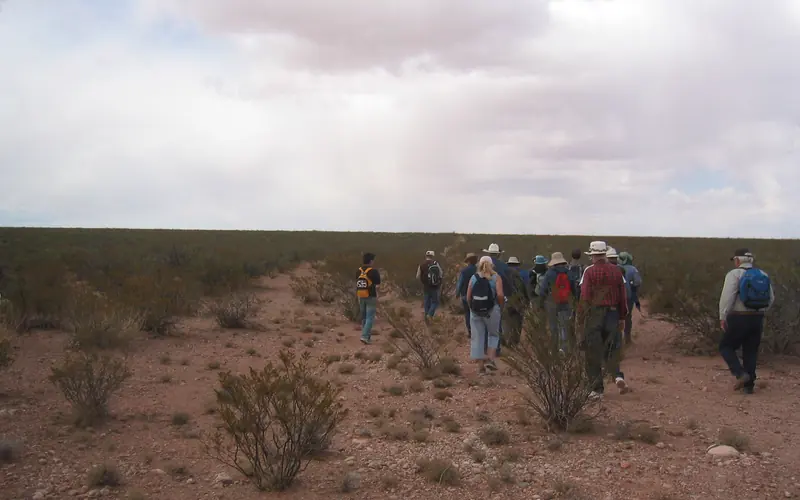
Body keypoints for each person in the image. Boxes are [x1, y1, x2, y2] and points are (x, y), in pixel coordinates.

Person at [577, 241, 629, 399]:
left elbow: (584, 296)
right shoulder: (616, 271)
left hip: (594, 313)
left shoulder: (589, 271)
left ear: (592, 255)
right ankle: (618, 375)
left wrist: (581, 318)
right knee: (612, 347)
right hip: (613, 312)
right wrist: (622, 316)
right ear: (604, 254)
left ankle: (596, 389)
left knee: (593, 352)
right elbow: (622, 296)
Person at [718, 248, 775, 394]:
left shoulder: (734, 274)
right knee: (750, 350)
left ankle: (740, 374)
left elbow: (727, 297)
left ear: (738, 260)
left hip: (739, 316)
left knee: (726, 346)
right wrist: (760, 311)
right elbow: (771, 298)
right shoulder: (762, 274)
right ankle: (749, 386)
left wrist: (723, 316)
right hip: (757, 317)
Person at [467, 256, 505, 374]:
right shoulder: (496, 277)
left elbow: (468, 296)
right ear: (492, 265)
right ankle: (490, 359)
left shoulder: (474, 277)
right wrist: (500, 305)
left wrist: (471, 308)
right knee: (493, 335)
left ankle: (480, 367)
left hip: (475, 311)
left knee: (478, 336)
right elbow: (500, 295)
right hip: (492, 310)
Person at [538, 252, 577, 351]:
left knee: (553, 327)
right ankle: (565, 349)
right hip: (566, 302)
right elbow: (574, 289)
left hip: (552, 303)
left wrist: (540, 303)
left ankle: (554, 350)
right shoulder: (568, 273)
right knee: (564, 326)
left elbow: (543, 289)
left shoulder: (549, 273)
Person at [483, 243, 513, 355]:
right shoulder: (504, 266)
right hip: (499, 297)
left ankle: (486, 347)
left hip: (484, 298)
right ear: (498, 254)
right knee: (497, 323)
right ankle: (496, 349)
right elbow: (508, 282)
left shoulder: (483, 265)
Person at [355, 252, 381, 345]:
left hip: (360, 295)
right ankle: (365, 336)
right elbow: (378, 282)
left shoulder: (358, 271)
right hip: (371, 295)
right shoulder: (373, 271)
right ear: (371, 261)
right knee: (370, 317)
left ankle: (367, 337)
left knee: (364, 317)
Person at [504, 256, 530, 345]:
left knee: (507, 321)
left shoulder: (504, 273)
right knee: (518, 321)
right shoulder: (523, 273)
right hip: (519, 301)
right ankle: (515, 340)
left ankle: (507, 340)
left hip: (507, 300)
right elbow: (526, 288)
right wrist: (527, 300)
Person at [618, 251, 642, 344]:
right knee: (627, 317)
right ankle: (627, 339)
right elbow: (638, 282)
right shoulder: (633, 269)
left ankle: (617, 340)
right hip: (628, 296)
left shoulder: (615, 268)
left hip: (616, 297)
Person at [455, 253, 479, 338]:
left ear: (468, 261)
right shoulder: (478, 270)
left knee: (467, 313)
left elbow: (460, 283)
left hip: (465, 295)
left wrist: (457, 294)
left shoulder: (464, 271)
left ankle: (470, 331)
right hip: (477, 295)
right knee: (476, 314)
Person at [415, 250, 443, 321]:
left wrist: (423, 280)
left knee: (426, 302)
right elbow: (441, 274)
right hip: (434, 286)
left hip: (426, 286)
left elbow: (417, 276)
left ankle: (427, 317)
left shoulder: (421, 265)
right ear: (432, 256)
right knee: (435, 302)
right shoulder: (435, 263)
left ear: (426, 256)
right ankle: (430, 315)